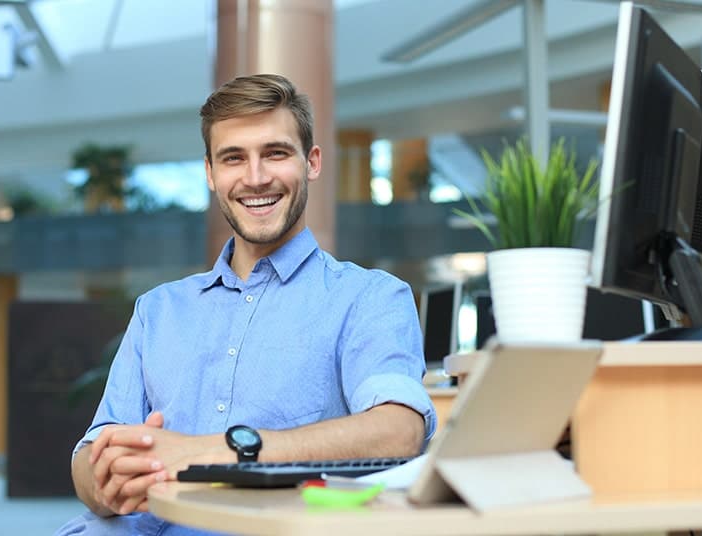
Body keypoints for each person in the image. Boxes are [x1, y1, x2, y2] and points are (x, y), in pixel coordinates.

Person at [55, 73, 436, 536]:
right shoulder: (158, 310)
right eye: (233, 158)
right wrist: (105, 484)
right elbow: (92, 451)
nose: (255, 179)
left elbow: (399, 431)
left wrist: (219, 452)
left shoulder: (371, 298)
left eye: (275, 153)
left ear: (311, 162)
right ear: (211, 173)